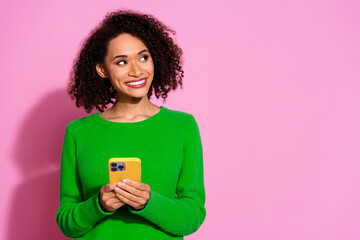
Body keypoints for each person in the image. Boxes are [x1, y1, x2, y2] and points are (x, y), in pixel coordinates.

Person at [55, 9, 206, 239]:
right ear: (102, 69)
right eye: (122, 62)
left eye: (143, 57)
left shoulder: (182, 126)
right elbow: (66, 221)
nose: (136, 70)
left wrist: (149, 202)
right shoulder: (78, 132)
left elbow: (193, 215)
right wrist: (98, 205)